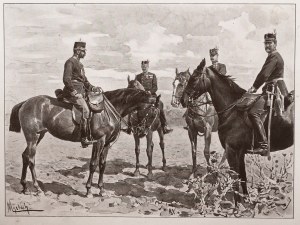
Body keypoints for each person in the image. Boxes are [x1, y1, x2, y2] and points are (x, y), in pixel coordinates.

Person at [247, 31, 288, 155]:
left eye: (270, 43)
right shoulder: (273, 56)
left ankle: (263, 145)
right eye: (266, 43)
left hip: (274, 91)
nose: (267, 46)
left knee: (253, 112)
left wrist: (254, 87)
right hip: (271, 89)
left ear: (275, 43)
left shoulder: (274, 56)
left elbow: (264, 74)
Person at [62, 41, 102, 148]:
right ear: (78, 50)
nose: (85, 53)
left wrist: (93, 88)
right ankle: (84, 138)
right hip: (72, 93)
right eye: (83, 51)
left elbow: (84, 81)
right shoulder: (70, 62)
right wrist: (74, 92)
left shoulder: (80, 64)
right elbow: (66, 79)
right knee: (86, 109)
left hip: (82, 91)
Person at [123, 60, 173, 134]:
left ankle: (164, 125)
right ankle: (129, 127)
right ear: (141, 67)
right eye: (143, 67)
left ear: (148, 67)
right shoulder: (138, 76)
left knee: (160, 104)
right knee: (132, 106)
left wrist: (150, 91)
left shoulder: (153, 75)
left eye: (145, 67)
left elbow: (155, 87)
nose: (144, 68)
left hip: (151, 95)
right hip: (141, 96)